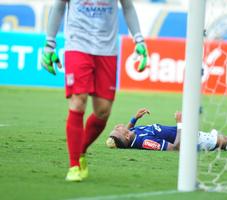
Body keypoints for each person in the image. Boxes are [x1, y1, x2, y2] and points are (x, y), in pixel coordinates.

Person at [41, 0, 148, 182]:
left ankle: (80, 150)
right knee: (78, 101)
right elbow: (58, 6)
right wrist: (49, 44)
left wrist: (139, 39)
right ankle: (74, 165)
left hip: (107, 50)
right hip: (77, 46)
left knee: (103, 111)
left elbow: (128, 6)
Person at [106, 108, 227, 153]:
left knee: (215, 137)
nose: (119, 126)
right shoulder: (143, 142)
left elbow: (126, 135)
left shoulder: (132, 134)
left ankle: (212, 136)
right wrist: (180, 123)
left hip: (189, 132)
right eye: (119, 129)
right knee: (226, 142)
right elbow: (175, 148)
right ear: (125, 136)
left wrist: (134, 118)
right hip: (188, 138)